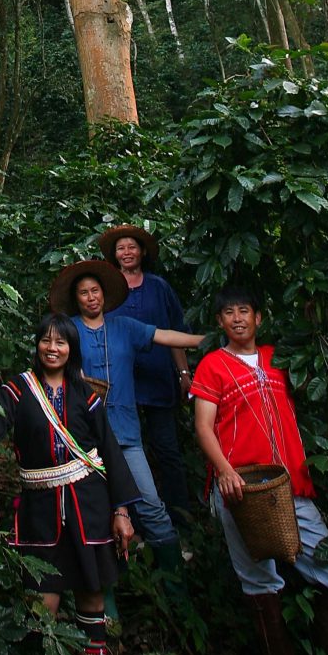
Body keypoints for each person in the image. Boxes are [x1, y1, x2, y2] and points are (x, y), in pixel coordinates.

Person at [190, 285, 328, 655]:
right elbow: (203, 424)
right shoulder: (212, 365)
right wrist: (224, 473)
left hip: (293, 489)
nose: (237, 318)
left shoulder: (276, 359)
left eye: (245, 309)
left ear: (258, 318)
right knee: (260, 587)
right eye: (228, 312)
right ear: (221, 322)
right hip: (241, 490)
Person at [0, 312, 139, 655]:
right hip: (39, 518)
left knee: (92, 605)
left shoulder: (86, 396)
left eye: (61, 342)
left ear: (72, 349)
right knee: (41, 616)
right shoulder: (18, 390)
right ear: (36, 345)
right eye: (45, 341)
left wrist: (122, 510)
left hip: (89, 510)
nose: (53, 348)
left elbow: (108, 450)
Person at [49, 260, 201, 587]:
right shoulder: (69, 331)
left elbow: (165, 335)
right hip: (84, 440)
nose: (91, 298)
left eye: (95, 291)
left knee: (151, 507)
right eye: (83, 293)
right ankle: (108, 596)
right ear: (76, 300)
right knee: (97, 515)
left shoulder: (126, 327)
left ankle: (175, 591)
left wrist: (210, 341)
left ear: (104, 294)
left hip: (127, 435)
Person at [99, 224, 193, 527]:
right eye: (121, 248)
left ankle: (180, 517)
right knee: (124, 450)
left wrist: (183, 372)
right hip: (119, 386)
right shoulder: (109, 290)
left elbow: (173, 330)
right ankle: (132, 520)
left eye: (132, 247)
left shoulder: (158, 287)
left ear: (142, 252)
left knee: (166, 448)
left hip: (158, 380)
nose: (126, 253)